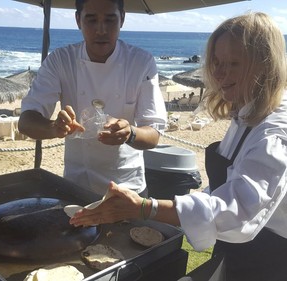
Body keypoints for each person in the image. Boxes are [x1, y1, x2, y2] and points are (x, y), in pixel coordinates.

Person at [70, 12, 287, 280]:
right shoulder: (247, 113)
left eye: (233, 63)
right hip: (237, 254)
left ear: (264, 66)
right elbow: (222, 189)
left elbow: (237, 210)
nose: (219, 74)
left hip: (271, 261)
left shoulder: (275, 132)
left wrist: (144, 208)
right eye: (216, 62)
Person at [18, 0, 166, 196]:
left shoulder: (141, 62)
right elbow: (26, 121)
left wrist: (129, 133)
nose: (101, 30)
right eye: (91, 20)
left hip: (128, 191)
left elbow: (153, 134)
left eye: (110, 19)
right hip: (75, 186)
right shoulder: (60, 60)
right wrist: (54, 127)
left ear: (122, 19)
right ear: (78, 20)